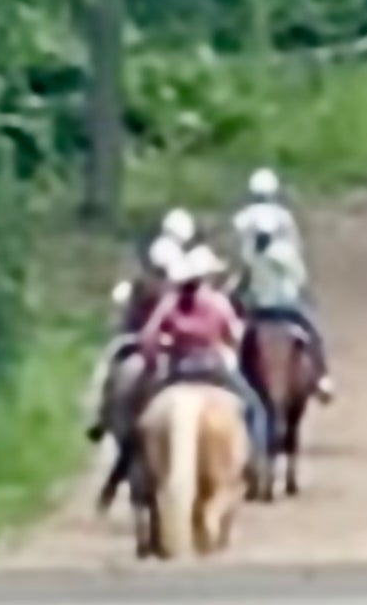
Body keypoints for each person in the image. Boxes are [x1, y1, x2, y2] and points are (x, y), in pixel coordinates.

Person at [137, 245, 270, 460]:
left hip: (177, 370)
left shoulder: (169, 303)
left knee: (144, 413)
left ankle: (137, 461)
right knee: (254, 409)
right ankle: (257, 461)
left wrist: (160, 353)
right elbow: (235, 336)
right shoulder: (217, 302)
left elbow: (148, 338)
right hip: (214, 369)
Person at [232, 168, 335, 400]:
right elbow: (298, 271)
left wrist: (236, 288)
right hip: (286, 304)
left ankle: (232, 378)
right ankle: (321, 376)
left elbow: (241, 266)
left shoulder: (242, 222)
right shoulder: (284, 224)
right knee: (312, 329)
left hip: (254, 305)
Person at [84, 234, 182, 443]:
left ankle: (99, 417)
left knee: (105, 370)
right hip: (157, 342)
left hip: (142, 341)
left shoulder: (144, 285)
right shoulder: (174, 287)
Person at [241, 228, 335, 402]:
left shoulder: (251, 257)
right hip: (287, 310)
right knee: (313, 332)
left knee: (242, 339)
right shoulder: (284, 254)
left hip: (260, 312)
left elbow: (245, 285)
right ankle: (322, 377)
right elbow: (299, 278)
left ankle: (240, 377)